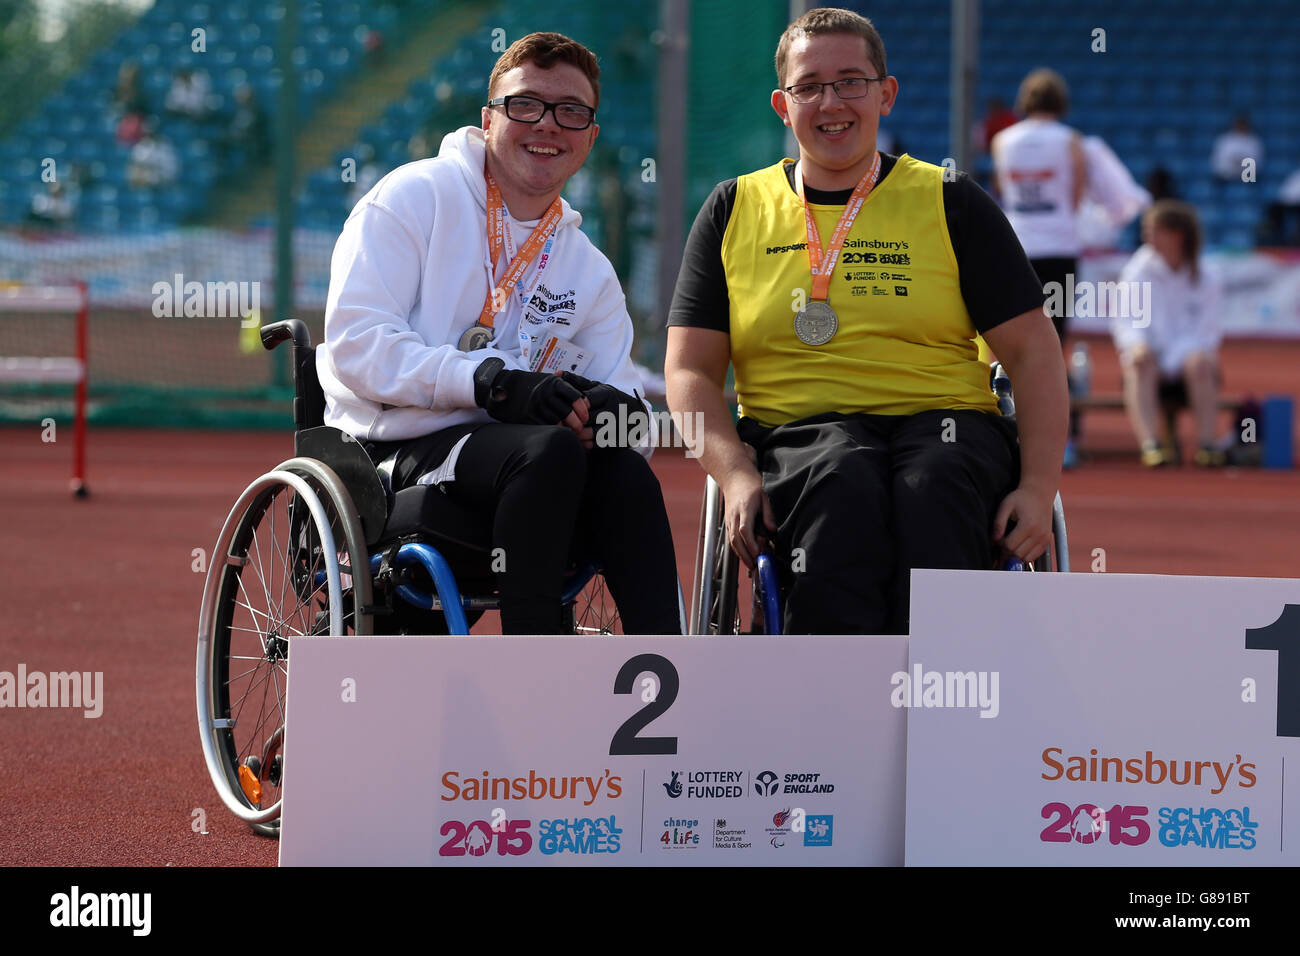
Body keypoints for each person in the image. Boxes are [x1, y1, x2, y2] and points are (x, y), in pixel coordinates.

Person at [665, 7, 1067, 635]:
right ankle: (829, 708)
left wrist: (1039, 487)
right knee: (841, 482)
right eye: (810, 87)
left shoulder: (952, 201)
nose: (832, 102)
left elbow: (1034, 353)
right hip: (799, 430)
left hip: (946, 424)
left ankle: (952, 704)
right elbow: (689, 369)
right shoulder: (733, 208)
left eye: (851, 81)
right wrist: (735, 472)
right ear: (781, 104)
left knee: (932, 487)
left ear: (887, 94)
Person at [317, 32, 680, 635]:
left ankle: (674, 670)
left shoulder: (587, 269)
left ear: (590, 136)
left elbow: (627, 409)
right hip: (397, 448)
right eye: (525, 105)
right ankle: (534, 671)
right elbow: (357, 343)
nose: (547, 125)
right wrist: (488, 383)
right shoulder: (412, 198)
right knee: (549, 450)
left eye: (571, 112)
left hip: (531, 467)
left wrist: (616, 413)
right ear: (488, 120)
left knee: (622, 470)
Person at [991, 68, 1086, 466]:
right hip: (1059, 247)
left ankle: (1010, 430)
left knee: (1012, 343)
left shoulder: (1002, 140)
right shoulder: (1071, 140)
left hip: (1016, 247)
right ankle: (1063, 441)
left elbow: (1002, 188)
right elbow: (1076, 194)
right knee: (1054, 344)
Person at [1111, 200, 1224, 467]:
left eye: (1154, 230)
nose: (1146, 237)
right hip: (1150, 359)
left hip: (1189, 362)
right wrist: (1138, 346)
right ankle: (1151, 444)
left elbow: (1208, 330)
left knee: (1202, 364)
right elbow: (1126, 320)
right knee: (1139, 363)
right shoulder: (1136, 271)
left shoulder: (1208, 275)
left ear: (1177, 235)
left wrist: (1186, 358)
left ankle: (1207, 444)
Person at [1211, 114, 1262, 183]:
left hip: (1248, 180)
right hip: (1225, 179)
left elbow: (1258, 163)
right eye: (1239, 124)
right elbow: (1217, 162)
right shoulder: (1224, 140)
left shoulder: (1254, 141)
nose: (1241, 127)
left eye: (1243, 125)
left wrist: (1241, 164)